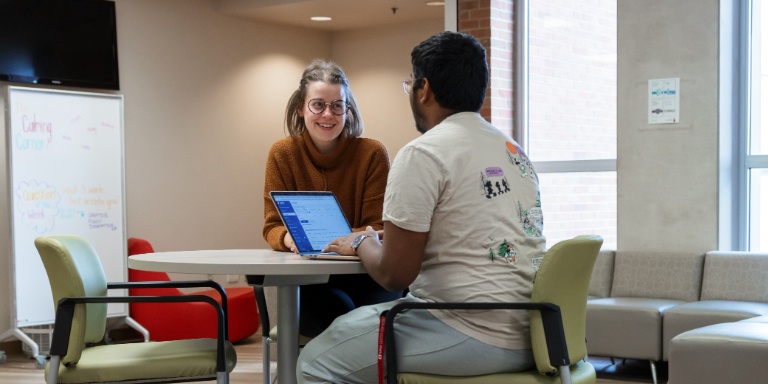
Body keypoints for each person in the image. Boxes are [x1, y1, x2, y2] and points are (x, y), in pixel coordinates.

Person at [296, 32, 546, 383]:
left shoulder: (423, 153)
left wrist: (360, 242)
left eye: (410, 83)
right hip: (533, 331)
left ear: (423, 89)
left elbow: (395, 274)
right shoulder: (514, 152)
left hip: (466, 328)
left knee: (314, 362)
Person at [262, 59, 403, 338]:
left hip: (368, 275)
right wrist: (290, 239)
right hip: (311, 279)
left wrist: (322, 240)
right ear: (301, 108)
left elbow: (377, 226)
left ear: (347, 110)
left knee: (359, 322)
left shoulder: (372, 154)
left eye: (337, 105)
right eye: (318, 104)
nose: (328, 114)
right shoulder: (282, 153)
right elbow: (272, 226)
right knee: (338, 313)